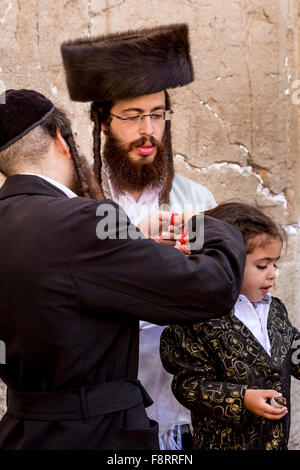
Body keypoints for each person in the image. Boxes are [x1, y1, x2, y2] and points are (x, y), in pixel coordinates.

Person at [0, 89, 246, 450]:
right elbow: (215, 287)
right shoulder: (85, 219)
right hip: (93, 435)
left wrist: (131, 240)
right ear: (61, 140)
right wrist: (202, 226)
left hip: (22, 432)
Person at [61, 23, 216, 449]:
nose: (148, 130)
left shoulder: (197, 200)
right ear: (102, 121)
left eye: (156, 114)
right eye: (131, 116)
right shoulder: (75, 202)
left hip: (180, 407)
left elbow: (215, 292)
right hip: (99, 409)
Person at [160, 202, 300, 450]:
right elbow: (189, 385)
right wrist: (242, 398)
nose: (273, 274)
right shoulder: (195, 319)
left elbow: (293, 348)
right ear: (224, 262)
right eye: (262, 265)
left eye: (275, 264)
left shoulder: (275, 308)